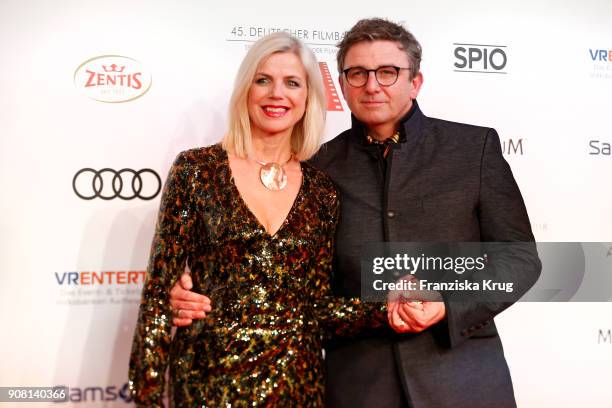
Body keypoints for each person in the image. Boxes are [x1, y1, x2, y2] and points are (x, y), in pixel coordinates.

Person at [169, 18, 542, 408]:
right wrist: (196, 288)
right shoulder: (317, 169)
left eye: (388, 72)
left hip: (463, 380)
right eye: (358, 73)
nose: (372, 84)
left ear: (415, 82)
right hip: (359, 385)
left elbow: (518, 258)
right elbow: (289, 283)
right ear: (342, 85)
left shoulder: (473, 148)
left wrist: (447, 304)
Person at [128, 32, 394, 408]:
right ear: (246, 89)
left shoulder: (323, 191)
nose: (276, 94)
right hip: (208, 383)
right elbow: (158, 298)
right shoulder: (196, 170)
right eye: (263, 80)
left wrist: (390, 308)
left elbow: (315, 308)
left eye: (292, 83)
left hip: (298, 386)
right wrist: (149, 399)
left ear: (308, 97)